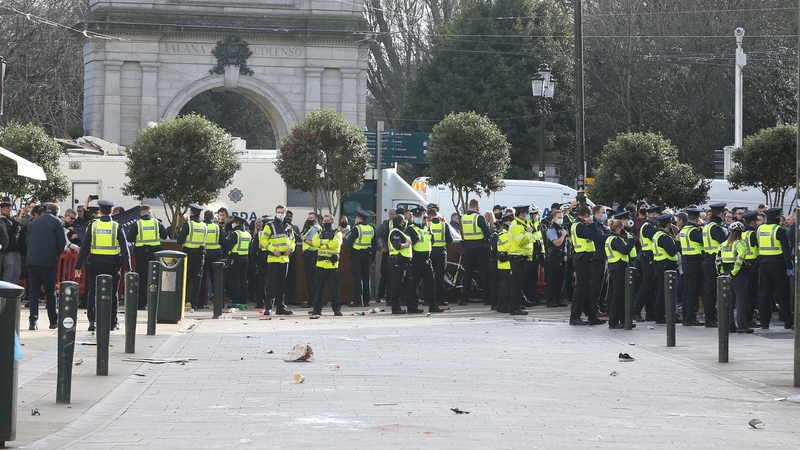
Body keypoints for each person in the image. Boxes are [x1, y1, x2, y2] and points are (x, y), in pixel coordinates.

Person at [74, 200, 131, 331]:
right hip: (112, 264)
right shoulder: (116, 226)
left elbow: (84, 247)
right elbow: (125, 249)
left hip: (94, 263)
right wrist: (127, 268)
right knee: (113, 293)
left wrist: (78, 266)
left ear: (100, 211)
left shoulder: (93, 225)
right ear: (111, 211)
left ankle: (92, 322)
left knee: (93, 291)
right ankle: (112, 323)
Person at [25, 203, 67, 330]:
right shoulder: (57, 222)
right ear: (57, 212)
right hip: (48, 262)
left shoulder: (32, 222)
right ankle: (53, 320)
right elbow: (62, 243)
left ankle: (33, 321)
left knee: (34, 292)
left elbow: (27, 241)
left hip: (32, 261)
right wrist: (56, 255)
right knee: (50, 292)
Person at [758, 207, 793, 329]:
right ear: (778, 217)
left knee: (766, 293)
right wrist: (789, 265)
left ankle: (764, 322)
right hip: (778, 263)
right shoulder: (779, 229)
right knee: (782, 293)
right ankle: (787, 321)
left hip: (763, 263)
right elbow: (786, 249)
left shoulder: (760, 229)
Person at [127, 204, 168, 310]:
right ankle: (156, 302)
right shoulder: (157, 222)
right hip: (155, 254)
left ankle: (141, 303)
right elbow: (164, 235)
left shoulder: (137, 224)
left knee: (142, 279)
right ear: (150, 212)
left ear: (141, 213)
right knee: (156, 278)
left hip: (141, 255)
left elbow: (130, 238)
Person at [715, 221, 754, 333]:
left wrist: (722, 273)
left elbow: (718, 260)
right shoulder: (740, 244)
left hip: (725, 274)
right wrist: (732, 274)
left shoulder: (723, 245)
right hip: (736, 275)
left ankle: (730, 324)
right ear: (741, 232)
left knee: (729, 300)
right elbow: (739, 260)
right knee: (741, 300)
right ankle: (741, 324)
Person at [407, 208, 444, 313]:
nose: (419, 218)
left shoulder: (427, 228)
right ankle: (412, 307)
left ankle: (432, 305)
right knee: (414, 285)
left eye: (421, 216)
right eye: (417, 216)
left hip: (427, 260)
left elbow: (432, 241)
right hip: (416, 260)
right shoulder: (410, 229)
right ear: (413, 217)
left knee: (431, 283)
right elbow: (410, 243)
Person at [261, 205, 294, 315]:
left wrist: (291, 249)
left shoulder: (288, 226)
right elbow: (263, 240)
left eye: (282, 212)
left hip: (285, 259)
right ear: (275, 212)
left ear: (285, 213)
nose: (280, 214)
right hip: (273, 259)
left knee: (282, 285)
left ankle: (280, 307)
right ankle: (268, 307)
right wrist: (273, 250)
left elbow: (292, 240)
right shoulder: (269, 225)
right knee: (271, 284)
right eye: (278, 212)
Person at [458, 199, 492, 306]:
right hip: (480, 247)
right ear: (477, 206)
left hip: (468, 248)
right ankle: (486, 299)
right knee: (484, 273)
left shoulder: (463, 218)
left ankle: (464, 299)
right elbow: (488, 234)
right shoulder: (479, 217)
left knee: (468, 273)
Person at [309, 214, 343, 317]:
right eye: (324, 220)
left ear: (332, 221)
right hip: (320, 265)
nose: (326, 222)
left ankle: (336, 309)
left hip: (332, 266)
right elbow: (314, 242)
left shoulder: (337, 232)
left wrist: (322, 244)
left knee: (334, 289)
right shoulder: (319, 232)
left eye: (328, 220)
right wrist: (327, 243)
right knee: (318, 289)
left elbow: (335, 244)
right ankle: (317, 309)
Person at [677, 209, 705, 326]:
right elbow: (703, 241)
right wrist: (702, 229)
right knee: (693, 292)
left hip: (685, 261)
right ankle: (690, 318)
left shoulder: (684, 230)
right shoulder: (694, 231)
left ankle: (686, 316)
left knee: (686, 290)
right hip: (695, 262)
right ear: (698, 219)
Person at [702, 203, 728, 327]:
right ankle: (711, 319)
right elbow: (725, 242)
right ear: (721, 213)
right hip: (715, 261)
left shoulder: (707, 226)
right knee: (713, 291)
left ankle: (710, 317)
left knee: (710, 290)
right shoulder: (716, 228)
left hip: (708, 259)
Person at [605, 219, 634, 329]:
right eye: (622, 229)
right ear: (618, 229)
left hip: (615, 268)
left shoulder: (610, 238)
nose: (623, 231)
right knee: (617, 297)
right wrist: (630, 241)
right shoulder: (616, 239)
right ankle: (614, 322)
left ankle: (623, 320)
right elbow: (625, 250)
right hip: (618, 269)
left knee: (620, 296)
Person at [177, 204, 207, 311]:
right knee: (197, 280)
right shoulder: (204, 226)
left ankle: (181, 302)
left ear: (191, 213)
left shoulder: (188, 225)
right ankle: (195, 303)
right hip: (200, 255)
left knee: (185, 278)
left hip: (188, 255)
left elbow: (180, 240)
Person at [344, 209, 376, 307]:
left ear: (359, 218)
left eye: (356, 217)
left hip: (357, 256)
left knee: (358, 279)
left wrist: (344, 239)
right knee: (366, 279)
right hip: (367, 256)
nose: (355, 219)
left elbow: (349, 244)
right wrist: (373, 259)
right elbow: (374, 245)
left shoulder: (356, 229)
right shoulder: (371, 229)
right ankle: (366, 301)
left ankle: (358, 301)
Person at [504, 206, 532, 315]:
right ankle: (514, 308)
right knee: (516, 284)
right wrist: (529, 233)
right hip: (517, 257)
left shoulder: (522, 224)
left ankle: (518, 305)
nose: (526, 215)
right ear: (521, 214)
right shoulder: (516, 225)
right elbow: (520, 241)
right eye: (525, 213)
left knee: (519, 284)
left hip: (522, 256)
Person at [652, 213, 680, 324]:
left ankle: (663, 315)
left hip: (662, 265)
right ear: (668, 224)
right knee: (665, 292)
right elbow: (672, 250)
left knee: (663, 291)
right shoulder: (663, 237)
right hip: (665, 266)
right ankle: (661, 316)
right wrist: (677, 241)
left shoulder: (658, 234)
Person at [387, 214, 415, 314]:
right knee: (396, 286)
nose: (405, 222)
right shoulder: (395, 232)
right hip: (398, 262)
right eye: (404, 221)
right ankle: (396, 308)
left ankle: (412, 307)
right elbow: (397, 246)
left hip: (406, 263)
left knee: (409, 285)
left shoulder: (403, 232)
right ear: (400, 222)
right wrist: (407, 244)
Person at [427, 204, 452, 307]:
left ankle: (429, 300)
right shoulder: (444, 225)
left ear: (429, 216)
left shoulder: (427, 226)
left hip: (430, 253)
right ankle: (440, 300)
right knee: (440, 277)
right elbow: (449, 240)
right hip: (441, 253)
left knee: (429, 277)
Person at [200, 209, 225, 308]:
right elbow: (223, 241)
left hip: (202, 254)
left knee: (202, 279)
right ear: (212, 217)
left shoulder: (201, 226)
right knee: (216, 279)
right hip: (215, 255)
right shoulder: (217, 227)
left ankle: (201, 302)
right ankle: (218, 302)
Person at [740, 210, 761, 327]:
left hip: (742, 265)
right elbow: (759, 246)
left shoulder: (742, 233)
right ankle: (748, 319)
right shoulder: (752, 234)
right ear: (753, 222)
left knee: (744, 293)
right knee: (751, 294)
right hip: (751, 266)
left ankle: (744, 318)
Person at [224, 215, 251, 305]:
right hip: (245, 258)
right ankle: (243, 300)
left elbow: (228, 247)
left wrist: (226, 241)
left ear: (238, 223)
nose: (233, 224)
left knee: (235, 281)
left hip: (235, 259)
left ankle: (236, 301)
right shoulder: (247, 234)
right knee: (243, 280)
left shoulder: (235, 234)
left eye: (234, 222)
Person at [589, 205, 610, 316]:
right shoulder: (594, 224)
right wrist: (608, 233)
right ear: (597, 213)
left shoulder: (601, 225)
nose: (605, 214)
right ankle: (594, 308)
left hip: (603, 257)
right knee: (596, 285)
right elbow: (598, 238)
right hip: (597, 257)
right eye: (603, 212)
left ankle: (602, 305)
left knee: (603, 285)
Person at [544, 209, 568, 307]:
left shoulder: (561, 229)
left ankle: (558, 299)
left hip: (562, 257)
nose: (560, 219)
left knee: (561, 279)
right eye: (558, 218)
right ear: (553, 219)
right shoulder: (551, 229)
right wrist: (563, 235)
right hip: (554, 257)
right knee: (553, 279)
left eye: (561, 217)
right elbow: (557, 243)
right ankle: (550, 300)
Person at [299, 212, 322, 308]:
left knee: (311, 279)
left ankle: (312, 301)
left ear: (316, 219)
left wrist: (303, 239)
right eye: (308, 218)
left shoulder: (315, 228)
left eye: (311, 218)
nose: (309, 219)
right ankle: (314, 300)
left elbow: (312, 243)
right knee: (312, 279)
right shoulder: (313, 228)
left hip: (311, 255)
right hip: (311, 255)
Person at [375, 208, 395, 302]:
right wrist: (379, 248)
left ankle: (390, 296)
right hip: (386, 254)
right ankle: (380, 296)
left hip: (395, 254)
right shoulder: (384, 226)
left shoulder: (397, 225)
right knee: (384, 275)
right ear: (391, 215)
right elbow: (374, 238)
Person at [0, 200, 21, 283]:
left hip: (16, 249)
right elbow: (7, 234)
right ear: (1, 209)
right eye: (7, 208)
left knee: (16, 273)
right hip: (8, 250)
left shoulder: (10, 219)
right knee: (8, 273)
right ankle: (5, 294)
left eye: (10, 208)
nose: (9, 210)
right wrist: (16, 224)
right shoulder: (2, 220)